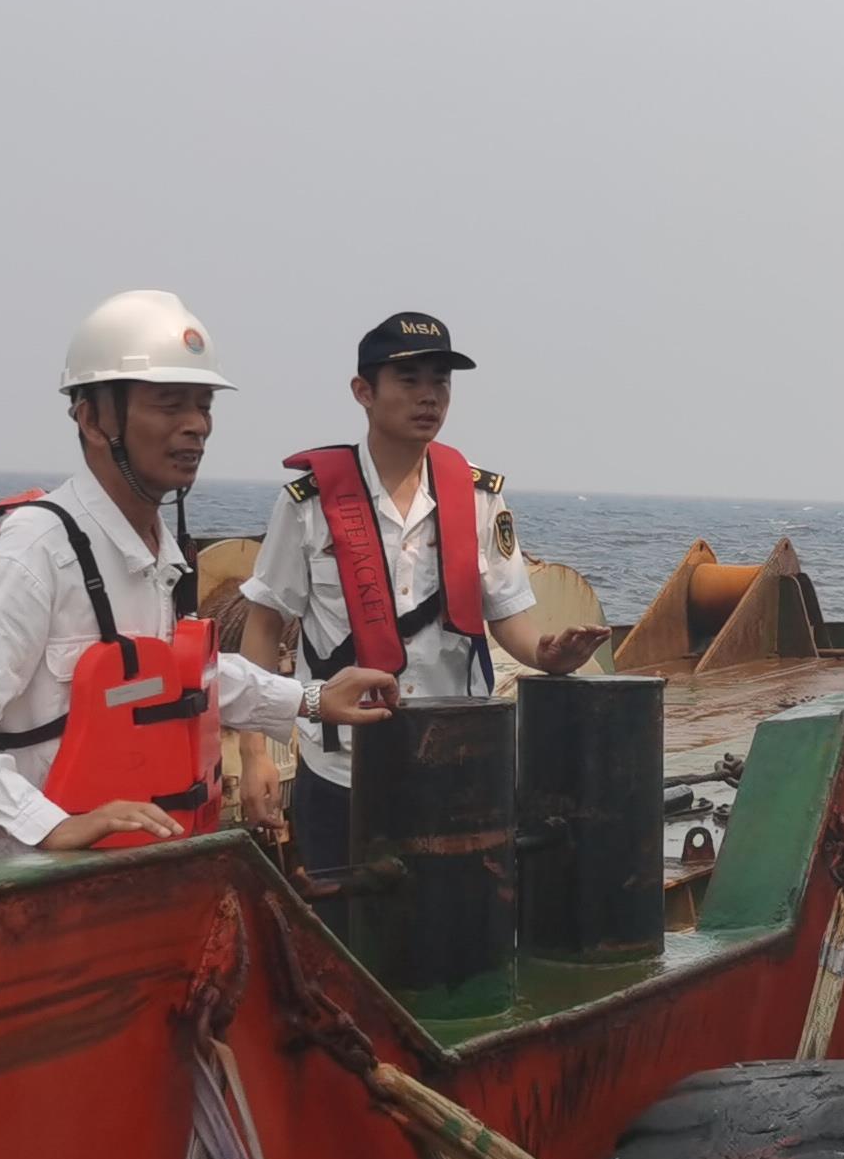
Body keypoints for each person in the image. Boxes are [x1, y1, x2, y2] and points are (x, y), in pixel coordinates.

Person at [0, 291, 396, 860]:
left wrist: (311, 697)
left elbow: (178, 679)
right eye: (169, 405)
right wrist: (49, 824)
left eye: (204, 406)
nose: (196, 426)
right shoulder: (35, 552)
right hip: (20, 882)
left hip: (119, 873)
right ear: (92, 418)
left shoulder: (156, 553)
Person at [237, 310, 606, 880]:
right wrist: (254, 754)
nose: (429, 396)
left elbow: (508, 616)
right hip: (342, 773)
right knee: (345, 925)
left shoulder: (479, 498)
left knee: (457, 925)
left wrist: (548, 655)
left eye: (441, 381)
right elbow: (264, 625)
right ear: (363, 391)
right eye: (409, 380)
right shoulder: (308, 504)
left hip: (456, 768)